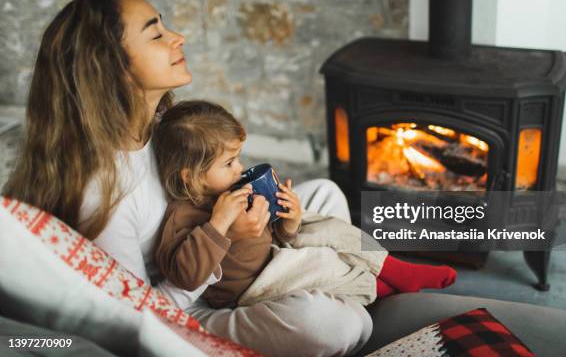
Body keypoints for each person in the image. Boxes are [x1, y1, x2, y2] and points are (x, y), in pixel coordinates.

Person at [2, 0, 371, 356]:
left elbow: (204, 190)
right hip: (194, 306)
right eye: (156, 34)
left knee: (325, 191)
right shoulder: (102, 193)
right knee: (328, 324)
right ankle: (348, 291)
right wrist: (224, 237)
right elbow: (145, 316)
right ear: (110, 64)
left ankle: (341, 284)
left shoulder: (160, 129)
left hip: (227, 253)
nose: (178, 38)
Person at [152, 99, 457, 309]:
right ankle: (379, 290)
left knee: (324, 225)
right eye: (229, 162)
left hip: (274, 253)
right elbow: (185, 276)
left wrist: (288, 219)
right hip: (253, 285)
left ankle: (393, 267)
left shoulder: (230, 189)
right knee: (322, 262)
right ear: (191, 177)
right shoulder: (181, 217)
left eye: (238, 158)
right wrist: (221, 228)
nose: (239, 167)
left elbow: (276, 235)